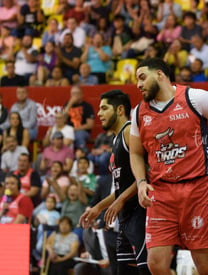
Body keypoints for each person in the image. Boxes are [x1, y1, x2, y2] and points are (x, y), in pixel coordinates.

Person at [130, 58, 208, 275]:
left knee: (205, 267)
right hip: (160, 192)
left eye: (142, 77)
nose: (138, 85)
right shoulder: (138, 112)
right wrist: (140, 183)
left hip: (197, 190)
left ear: (159, 75)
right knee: (155, 264)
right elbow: (136, 152)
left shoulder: (195, 97)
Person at [80, 90, 150, 274]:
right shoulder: (116, 139)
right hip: (126, 217)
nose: (99, 114)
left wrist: (121, 200)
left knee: (147, 269)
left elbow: (145, 176)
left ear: (120, 110)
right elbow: (121, 187)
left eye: (104, 108)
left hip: (141, 213)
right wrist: (98, 208)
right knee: (123, 271)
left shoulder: (129, 132)